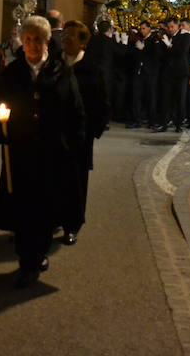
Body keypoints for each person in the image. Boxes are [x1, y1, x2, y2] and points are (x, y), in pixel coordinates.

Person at [0, 15, 85, 288]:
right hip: (19, 151)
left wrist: (73, 145)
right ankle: (25, 259)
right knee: (21, 208)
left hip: (51, 152)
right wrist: (1, 130)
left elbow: (75, 111)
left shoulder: (61, 72)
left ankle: (39, 253)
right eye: (27, 39)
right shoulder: (11, 73)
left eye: (37, 40)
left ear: (46, 42)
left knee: (45, 208)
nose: (31, 45)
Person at [60, 21, 109, 246]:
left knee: (77, 180)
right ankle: (54, 219)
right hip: (55, 132)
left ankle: (73, 224)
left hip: (80, 135)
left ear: (83, 42)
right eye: (64, 36)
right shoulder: (55, 64)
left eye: (71, 36)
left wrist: (92, 131)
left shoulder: (92, 69)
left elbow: (101, 103)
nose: (66, 40)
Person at [155, 17, 190, 133]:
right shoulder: (166, 37)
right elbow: (160, 55)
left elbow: (182, 52)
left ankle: (179, 124)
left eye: (172, 27)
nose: (170, 29)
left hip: (180, 73)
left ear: (178, 26)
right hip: (167, 72)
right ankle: (164, 123)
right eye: (169, 27)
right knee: (166, 98)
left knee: (180, 99)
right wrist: (160, 42)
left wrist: (169, 46)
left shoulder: (185, 37)